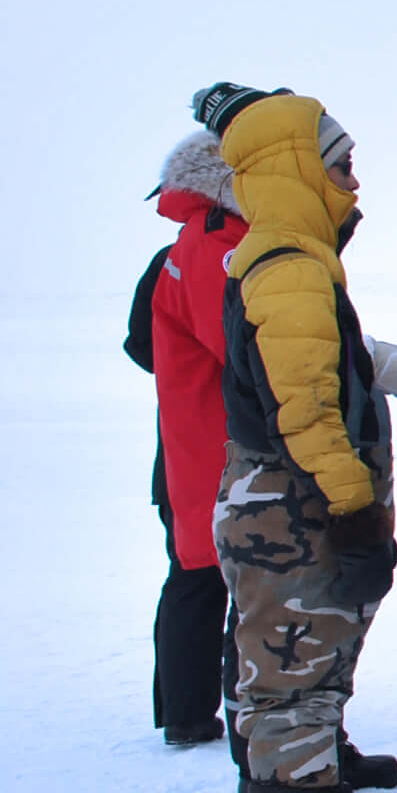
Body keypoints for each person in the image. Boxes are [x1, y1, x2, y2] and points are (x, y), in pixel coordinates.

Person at [194, 81, 397, 793]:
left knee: (313, 684)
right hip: (296, 514)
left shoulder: (290, 259)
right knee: (291, 694)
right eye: (342, 163)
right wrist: (355, 510)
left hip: (290, 509)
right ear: (295, 168)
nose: (355, 181)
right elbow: (309, 412)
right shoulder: (287, 267)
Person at [132, 130, 247, 749]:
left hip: (183, 441)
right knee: (217, 577)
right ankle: (210, 712)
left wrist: (182, 380)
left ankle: (184, 711)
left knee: (192, 577)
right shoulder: (207, 253)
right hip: (211, 446)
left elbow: (139, 345)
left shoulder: (173, 255)